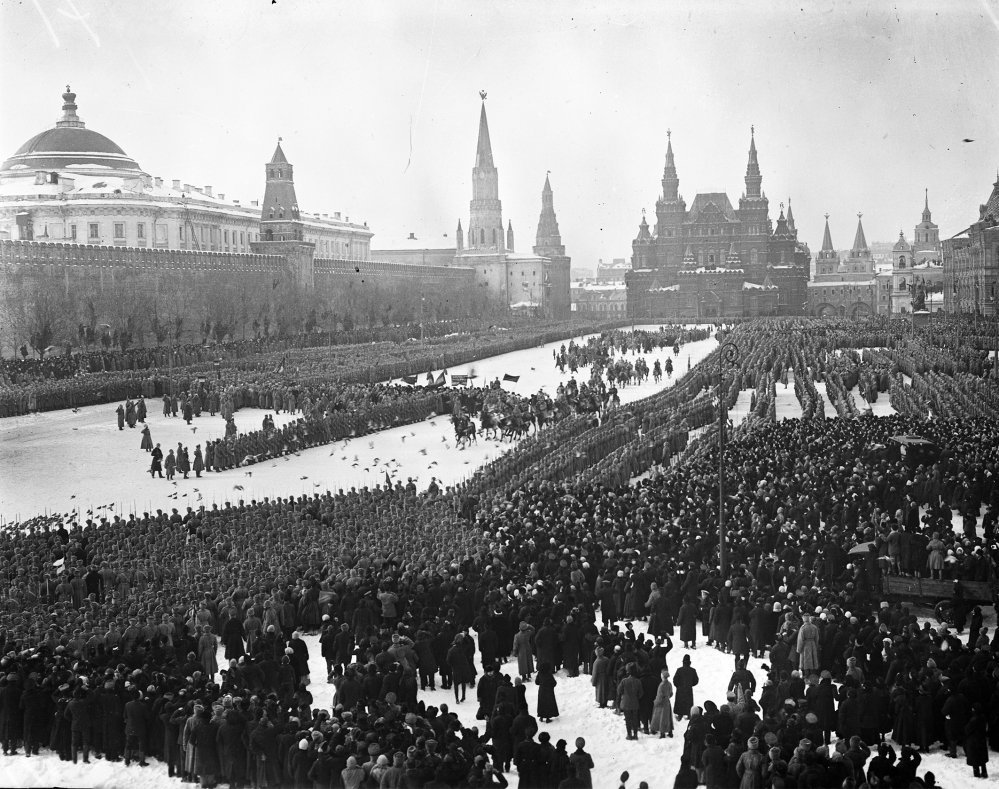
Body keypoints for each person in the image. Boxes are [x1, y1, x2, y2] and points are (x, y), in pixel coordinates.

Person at [673, 654, 698, 721]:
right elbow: (696, 681)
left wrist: (678, 686)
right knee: (688, 702)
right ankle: (689, 714)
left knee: (679, 702)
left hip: (680, 689)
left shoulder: (679, 670)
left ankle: (679, 715)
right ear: (689, 662)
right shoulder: (693, 670)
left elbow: (675, 680)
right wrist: (690, 684)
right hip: (688, 689)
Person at [650, 668, 674, 738]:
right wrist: (667, 697)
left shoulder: (661, 685)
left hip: (661, 704)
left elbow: (659, 696)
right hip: (667, 702)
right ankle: (670, 732)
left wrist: (655, 702)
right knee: (668, 718)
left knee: (661, 718)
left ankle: (662, 734)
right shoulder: (669, 684)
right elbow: (671, 693)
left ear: (662, 676)